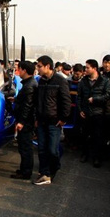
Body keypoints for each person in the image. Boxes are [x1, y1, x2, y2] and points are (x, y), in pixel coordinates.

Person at [33, 55, 71, 185]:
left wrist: (63, 119)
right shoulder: (41, 81)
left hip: (54, 121)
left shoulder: (60, 80)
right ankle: (45, 173)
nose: (38, 69)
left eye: (39, 66)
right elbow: (38, 101)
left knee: (52, 150)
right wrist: (37, 118)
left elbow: (66, 101)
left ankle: (54, 168)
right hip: (42, 120)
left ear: (47, 66)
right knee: (42, 149)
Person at [76, 59, 110, 167]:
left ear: (94, 68)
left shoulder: (104, 81)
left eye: (87, 67)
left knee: (97, 136)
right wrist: (80, 110)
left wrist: (95, 99)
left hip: (98, 113)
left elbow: (107, 96)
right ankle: (84, 154)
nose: (85, 69)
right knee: (84, 135)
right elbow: (79, 96)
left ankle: (96, 157)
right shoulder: (83, 81)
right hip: (85, 112)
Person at [10, 61, 37, 180]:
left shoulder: (29, 86)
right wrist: (15, 100)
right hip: (26, 120)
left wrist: (21, 122)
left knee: (25, 147)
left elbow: (27, 106)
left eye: (19, 69)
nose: (17, 71)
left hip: (26, 122)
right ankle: (23, 169)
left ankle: (26, 172)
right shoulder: (29, 83)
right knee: (24, 147)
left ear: (24, 70)